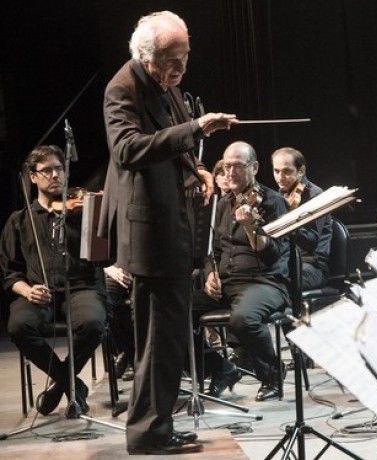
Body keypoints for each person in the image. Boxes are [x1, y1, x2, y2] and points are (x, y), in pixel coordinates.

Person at [100, 10, 237, 455]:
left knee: (170, 335)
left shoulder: (168, 85)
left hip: (173, 226)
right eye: (171, 60)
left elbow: (178, 146)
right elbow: (127, 149)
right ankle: (147, 434)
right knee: (157, 339)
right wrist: (195, 128)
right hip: (149, 232)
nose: (180, 70)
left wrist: (197, 168)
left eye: (185, 58)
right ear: (146, 56)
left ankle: (156, 427)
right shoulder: (122, 88)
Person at [1, 145, 107, 416]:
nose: (55, 174)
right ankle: (72, 385)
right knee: (19, 326)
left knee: (94, 323)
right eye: (47, 170)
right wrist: (27, 290)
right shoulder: (19, 221)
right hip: (40, 292)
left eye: (59, 169)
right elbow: (9, 272)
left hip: (81, 287)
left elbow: (103, 255)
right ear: (33, 176)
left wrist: (95, 218)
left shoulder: (81, 213)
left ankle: (61, 386)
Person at [193, 141, 291, 401]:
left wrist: (250, 227)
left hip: (265, 283)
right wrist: (210, 274)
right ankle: (220, 368)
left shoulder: (273, 202)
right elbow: (212, 251)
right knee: (173, 312)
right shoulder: (223, 205)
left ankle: (272, 374)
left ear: (254, 168)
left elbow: (272, 255)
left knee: (243, 319)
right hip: (228, 282)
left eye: (237, 166)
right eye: (226, 166)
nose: (230, 172)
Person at [272, 147, 332, 290]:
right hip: (286, 263)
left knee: (278, 285)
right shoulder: (278, 196)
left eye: (287, 171)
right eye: (276, 171)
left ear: (301, 171)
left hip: (312, 267)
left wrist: (288, 219)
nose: (280, 177)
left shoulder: (315, 196)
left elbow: (310, 244)